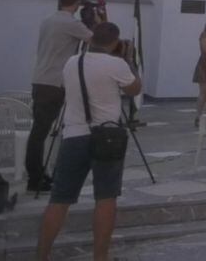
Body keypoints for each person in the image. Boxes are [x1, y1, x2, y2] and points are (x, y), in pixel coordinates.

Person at [36, 22, 140, 261]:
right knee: (105, 197)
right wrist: (129, 60)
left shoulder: (73, 62)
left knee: (60, 199)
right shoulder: (117, 64)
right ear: (115, 42)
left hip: (74, 134)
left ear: (91, 39)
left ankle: (42, 256)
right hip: (107, 137)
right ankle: (100, 257)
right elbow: (135, 89)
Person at [27, 0, 95, 193]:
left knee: (38, 131)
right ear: (76, 1)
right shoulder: (70, 23)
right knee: (41, 132)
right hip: (55, 83)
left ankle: (37, 174)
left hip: (40, 79)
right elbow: (96, 40)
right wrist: (95, 20)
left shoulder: (48, 20)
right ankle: (36, 178)